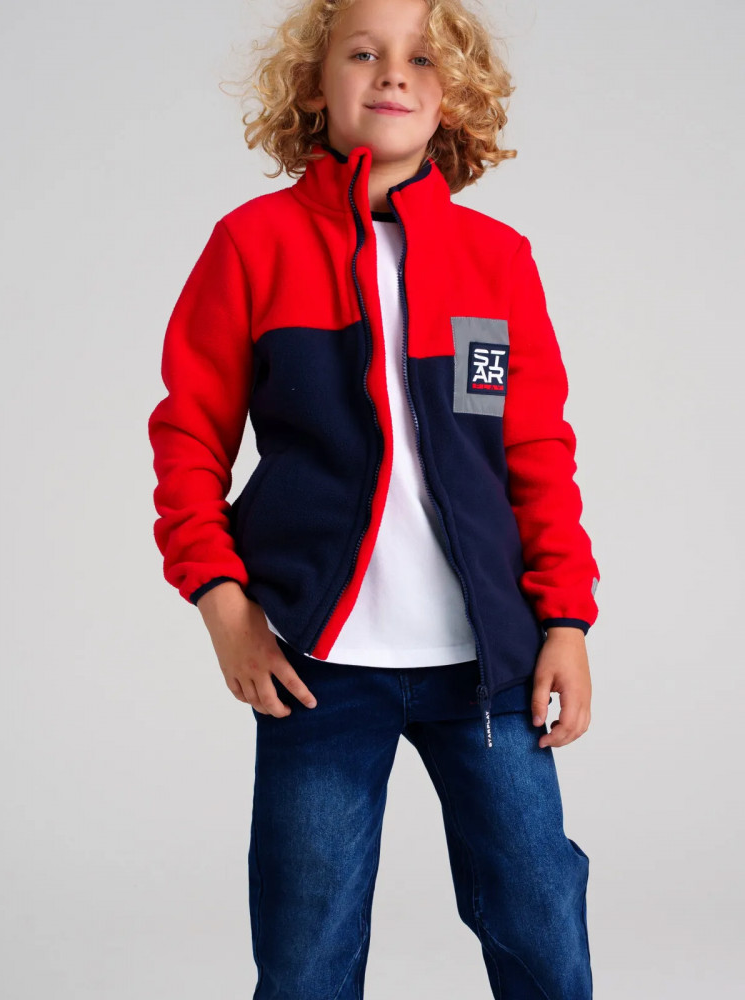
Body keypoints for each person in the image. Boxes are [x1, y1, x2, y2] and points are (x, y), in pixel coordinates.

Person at [147, 0, 601, 996]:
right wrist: (223, 605)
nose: (393, 72)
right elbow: (189, 438)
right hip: (316, 666)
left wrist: (566, 619)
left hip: (489, 666)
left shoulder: (496, 260)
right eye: (363, 53)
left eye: (421, 59)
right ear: (317, 88)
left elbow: (536, 453)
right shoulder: (254, 245)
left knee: (539, 918)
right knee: (306, 945)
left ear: (451, 98)